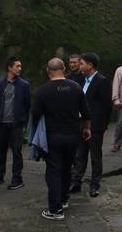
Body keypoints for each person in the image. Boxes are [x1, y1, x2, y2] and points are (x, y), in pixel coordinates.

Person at [32, 58, 91, 220]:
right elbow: (86, 113)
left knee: (53, 171)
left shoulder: (43, 91)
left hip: (53, 136)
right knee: (67, 168)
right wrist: (86, 128)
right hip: (73, 136)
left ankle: (55, 209)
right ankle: (64, 199)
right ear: (64, 69)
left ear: (47, 71)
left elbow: (35, 113)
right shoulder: (76, 87)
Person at [70, 53, 112, 197]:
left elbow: (107, 106)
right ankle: (76, 182)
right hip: (80, 124)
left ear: (90, 65)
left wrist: (102, 125)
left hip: (95, 126)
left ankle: (95, 185)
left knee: (95, 156)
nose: (79, 67)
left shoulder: (102, 81)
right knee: (79, 155)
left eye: (82, 64)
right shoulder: (81, 80)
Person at [0, 57, 31, 190]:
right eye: (17, 66)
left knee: (17, 151)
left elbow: (27, 104)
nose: (19, 68)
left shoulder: (24, 85)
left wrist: (22, 119)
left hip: (16, 123)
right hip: (2, 122)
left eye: (20, 66)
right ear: (9, 67)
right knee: (0, 150)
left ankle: (17, 178)